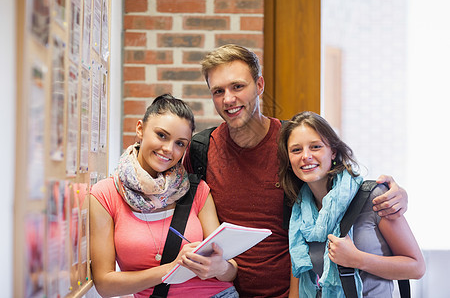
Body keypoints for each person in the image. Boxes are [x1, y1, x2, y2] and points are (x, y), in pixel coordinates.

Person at [183, 44, 410, 297]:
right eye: (218, 91)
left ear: (259, 85)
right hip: (225, 292)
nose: (228, 99)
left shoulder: (294, 144)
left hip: (296, 290)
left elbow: (344, 184)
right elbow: (165, 193)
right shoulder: (200, 150)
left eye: (237, 86)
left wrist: (396, 194)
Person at [90, 94, 239, 298]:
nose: (169, 149)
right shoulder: (104, 195)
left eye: (180, 143)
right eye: (161, 135)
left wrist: (220, 267)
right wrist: (171, 268)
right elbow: (105, 285)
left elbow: (230, 271)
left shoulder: (197, 190)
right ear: (140, 129)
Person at [277, 111, 426, 297]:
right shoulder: (299, 215)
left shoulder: (373, 197)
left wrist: (357, 259)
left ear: (333, 152)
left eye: (315, 147)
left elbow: (416, 266)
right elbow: (296, 290)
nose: (305, 156)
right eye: (296, 150)